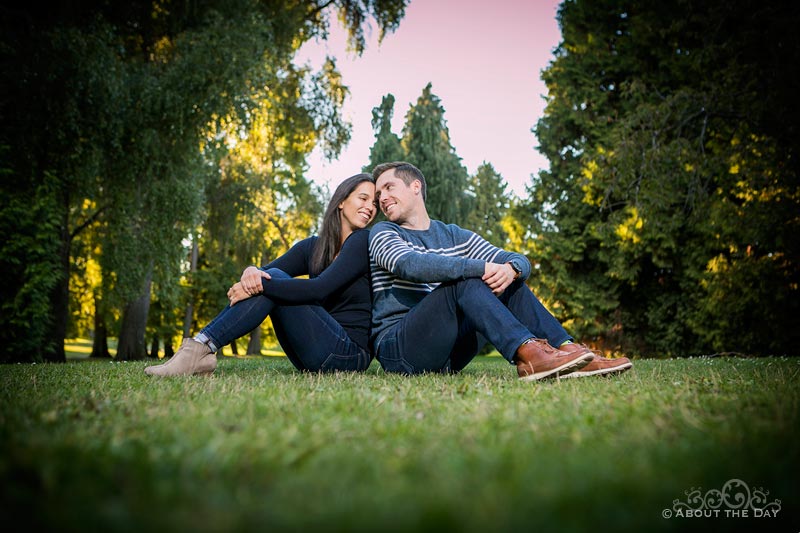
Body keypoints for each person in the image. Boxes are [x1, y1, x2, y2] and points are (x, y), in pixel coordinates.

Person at [368, 161, 632, 381]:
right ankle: (529, 355)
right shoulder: (383, 233)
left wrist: (511, 270)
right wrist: (481, 267)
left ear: (416, 186)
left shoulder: (454, 235)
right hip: (400, 351)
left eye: (389, 187)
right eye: (379, 195)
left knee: (505, 279)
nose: (382, 198)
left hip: (448, 354)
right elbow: (409, 265)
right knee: (468, 279)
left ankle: (568, 350)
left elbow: (517, 259)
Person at [145, 173, 377, 377]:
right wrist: (251, 271)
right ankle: (199, 350)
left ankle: (199, 348)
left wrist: (262, 283)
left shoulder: (361, 241)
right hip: (311, 354)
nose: (370, 207)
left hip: (348, 355)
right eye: (363, 198)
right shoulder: (312, 247)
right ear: (341, 201)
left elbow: (319, 288)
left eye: (374, 203)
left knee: (271, 281)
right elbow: (263, 272)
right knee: (269, 278)